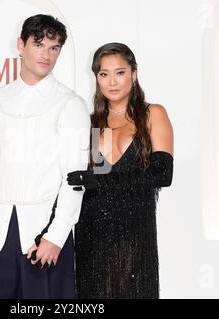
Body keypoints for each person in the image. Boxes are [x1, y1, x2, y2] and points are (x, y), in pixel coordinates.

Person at [0, 14, 90, 299]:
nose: (47, 54)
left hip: (45, 233)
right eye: (39, 44)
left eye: (54, 48)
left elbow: (76, 179)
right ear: (20, 45)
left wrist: (56, 237)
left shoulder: (72, 105)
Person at [67, 42, 174, 299]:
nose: (112, 82)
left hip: (135, 234)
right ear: (96, 78)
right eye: (104, 74)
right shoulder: (90, 122)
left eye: (120, 72)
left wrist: (100, 181)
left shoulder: (152, 115)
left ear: (134, 74)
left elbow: (162, 174)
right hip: (92, 232)